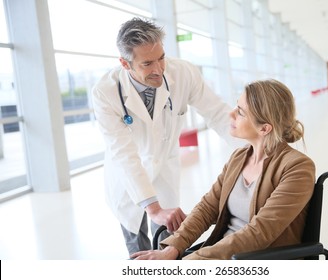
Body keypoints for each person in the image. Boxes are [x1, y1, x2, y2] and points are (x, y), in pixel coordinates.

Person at [92, 17, 243, 256]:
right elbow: (123, 152)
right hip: (127, 176)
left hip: (164, 167)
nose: (159, 69)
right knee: (137, 244)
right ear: (125, 63)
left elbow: (217, 114)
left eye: (161, 57)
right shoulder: (105, 92)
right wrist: (151, 207)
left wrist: (254, 150)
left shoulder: (182, 73)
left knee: (167, 241)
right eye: (147, 63)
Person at [130, 79, 316, 260]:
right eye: (236, 106)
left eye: (240, 112)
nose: (231, 114)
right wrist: (173, 248)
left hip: (256, 259)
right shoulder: (239, 158)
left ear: (264, 128)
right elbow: (207, 208)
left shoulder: (297, 167)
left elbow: (259, 233)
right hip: (221, 255)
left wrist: (193, 262)